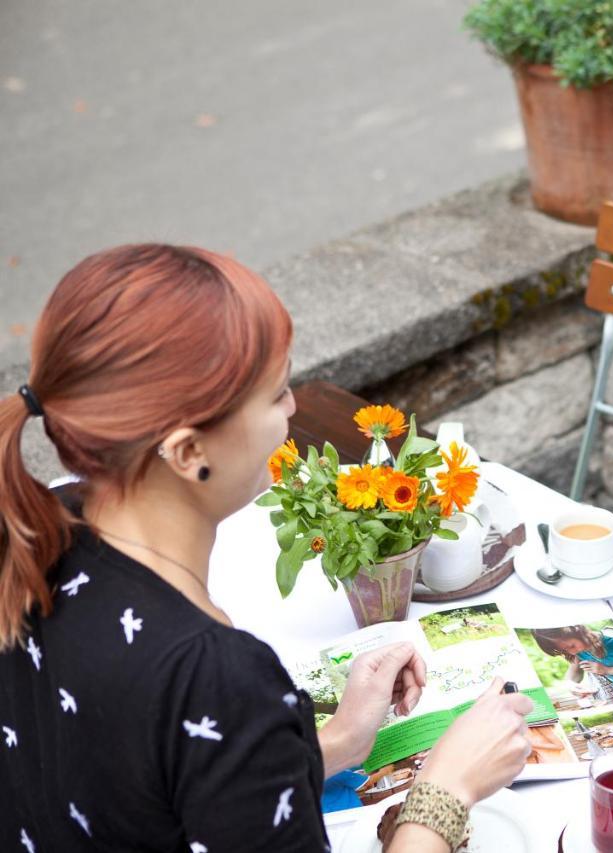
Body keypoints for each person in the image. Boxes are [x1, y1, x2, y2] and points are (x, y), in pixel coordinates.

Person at [0, 244, 532, 852]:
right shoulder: (219, 679)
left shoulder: (37, 530)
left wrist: (332, 742)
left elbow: (143, 780)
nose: (294, 408)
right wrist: (445, 792)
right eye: (276, 393)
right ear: (187, 451)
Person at [531, 625, 613, 691]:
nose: (572, 652)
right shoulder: (579, 652)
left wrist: (608, 670)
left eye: (571, 646)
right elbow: (575, 672)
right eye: (564, 651)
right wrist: (571, 685)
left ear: (579, 632)